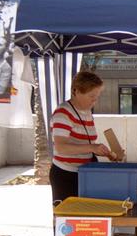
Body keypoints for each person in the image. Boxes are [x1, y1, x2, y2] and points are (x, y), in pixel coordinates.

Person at [49, 71, 116, 204]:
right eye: (91, 96)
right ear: (76, 91)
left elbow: (84, 143)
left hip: (85, 173)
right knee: (68, 215)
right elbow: (61, 147)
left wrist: (101, 151)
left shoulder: (86, 112)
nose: (95, 100)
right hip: (66, 175)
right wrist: (92, 147)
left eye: (97, 96)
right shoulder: (63, 113)